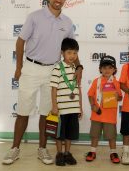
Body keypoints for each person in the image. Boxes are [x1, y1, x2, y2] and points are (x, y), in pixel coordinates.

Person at [2, 0, 83, 165]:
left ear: (65, 0)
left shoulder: (67, 22)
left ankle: (42, 149)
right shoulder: (34, 17)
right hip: (30, 68)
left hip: (53, 71)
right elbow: (20, 42)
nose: (58, 0)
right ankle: (14, 149)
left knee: (47, 113)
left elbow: (71, 48)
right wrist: (18, 67)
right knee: (23, 111)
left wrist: (79, 67)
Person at [50, 38, 83, 166]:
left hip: (73, 109)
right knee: (59, 134)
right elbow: (53, 89)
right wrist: (54, 106)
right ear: (62, 53)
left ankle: (67, 153)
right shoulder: (58, 68)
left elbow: (77, 89)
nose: (72, 56)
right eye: (69, 53)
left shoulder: (76, 69)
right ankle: (59, 154)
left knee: (70, 133)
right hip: (61, 109)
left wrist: (80, 107)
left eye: (75, 53)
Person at [86, 55, 123, 164]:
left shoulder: (116, 82)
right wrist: (93, 105)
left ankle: (113, 152)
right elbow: (90, 95)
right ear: (100, 69)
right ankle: (92, 151)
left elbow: (120, 97)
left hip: (110, 116)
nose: (107, 70)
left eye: (110, 68)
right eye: (104, 68)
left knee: (111, 136)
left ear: (114, 70)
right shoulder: (96, 81)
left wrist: (118, 96)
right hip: (97, 114)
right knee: (95, 135)